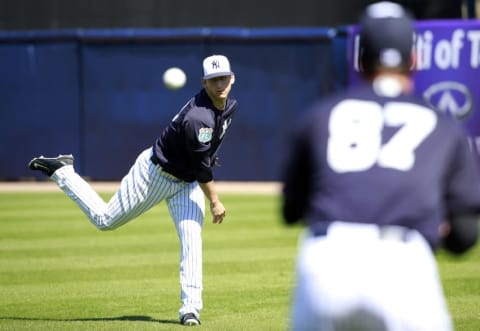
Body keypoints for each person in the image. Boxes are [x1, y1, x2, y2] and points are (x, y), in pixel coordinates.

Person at [281, 2, 480, 330]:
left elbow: (291, 211)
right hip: (401, 265)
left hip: (326, 265)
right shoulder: (442, 126)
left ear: (358, 60)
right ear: (415, 60)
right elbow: (465, 234)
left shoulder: (321, 116)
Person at [28, 54, 237, 326]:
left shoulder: (229, 106)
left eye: (223, 77)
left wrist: (207, 156)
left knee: (192, 241)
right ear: (204, 82)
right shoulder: (198, 117)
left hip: (185, 184)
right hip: (154, 175)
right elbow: (201, 167)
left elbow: (205, 150)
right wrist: (215, 201)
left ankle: (190, 310)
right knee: (105, 220)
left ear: (232, 78)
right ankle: (62, 171)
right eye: (213, 79)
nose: (219, 83)